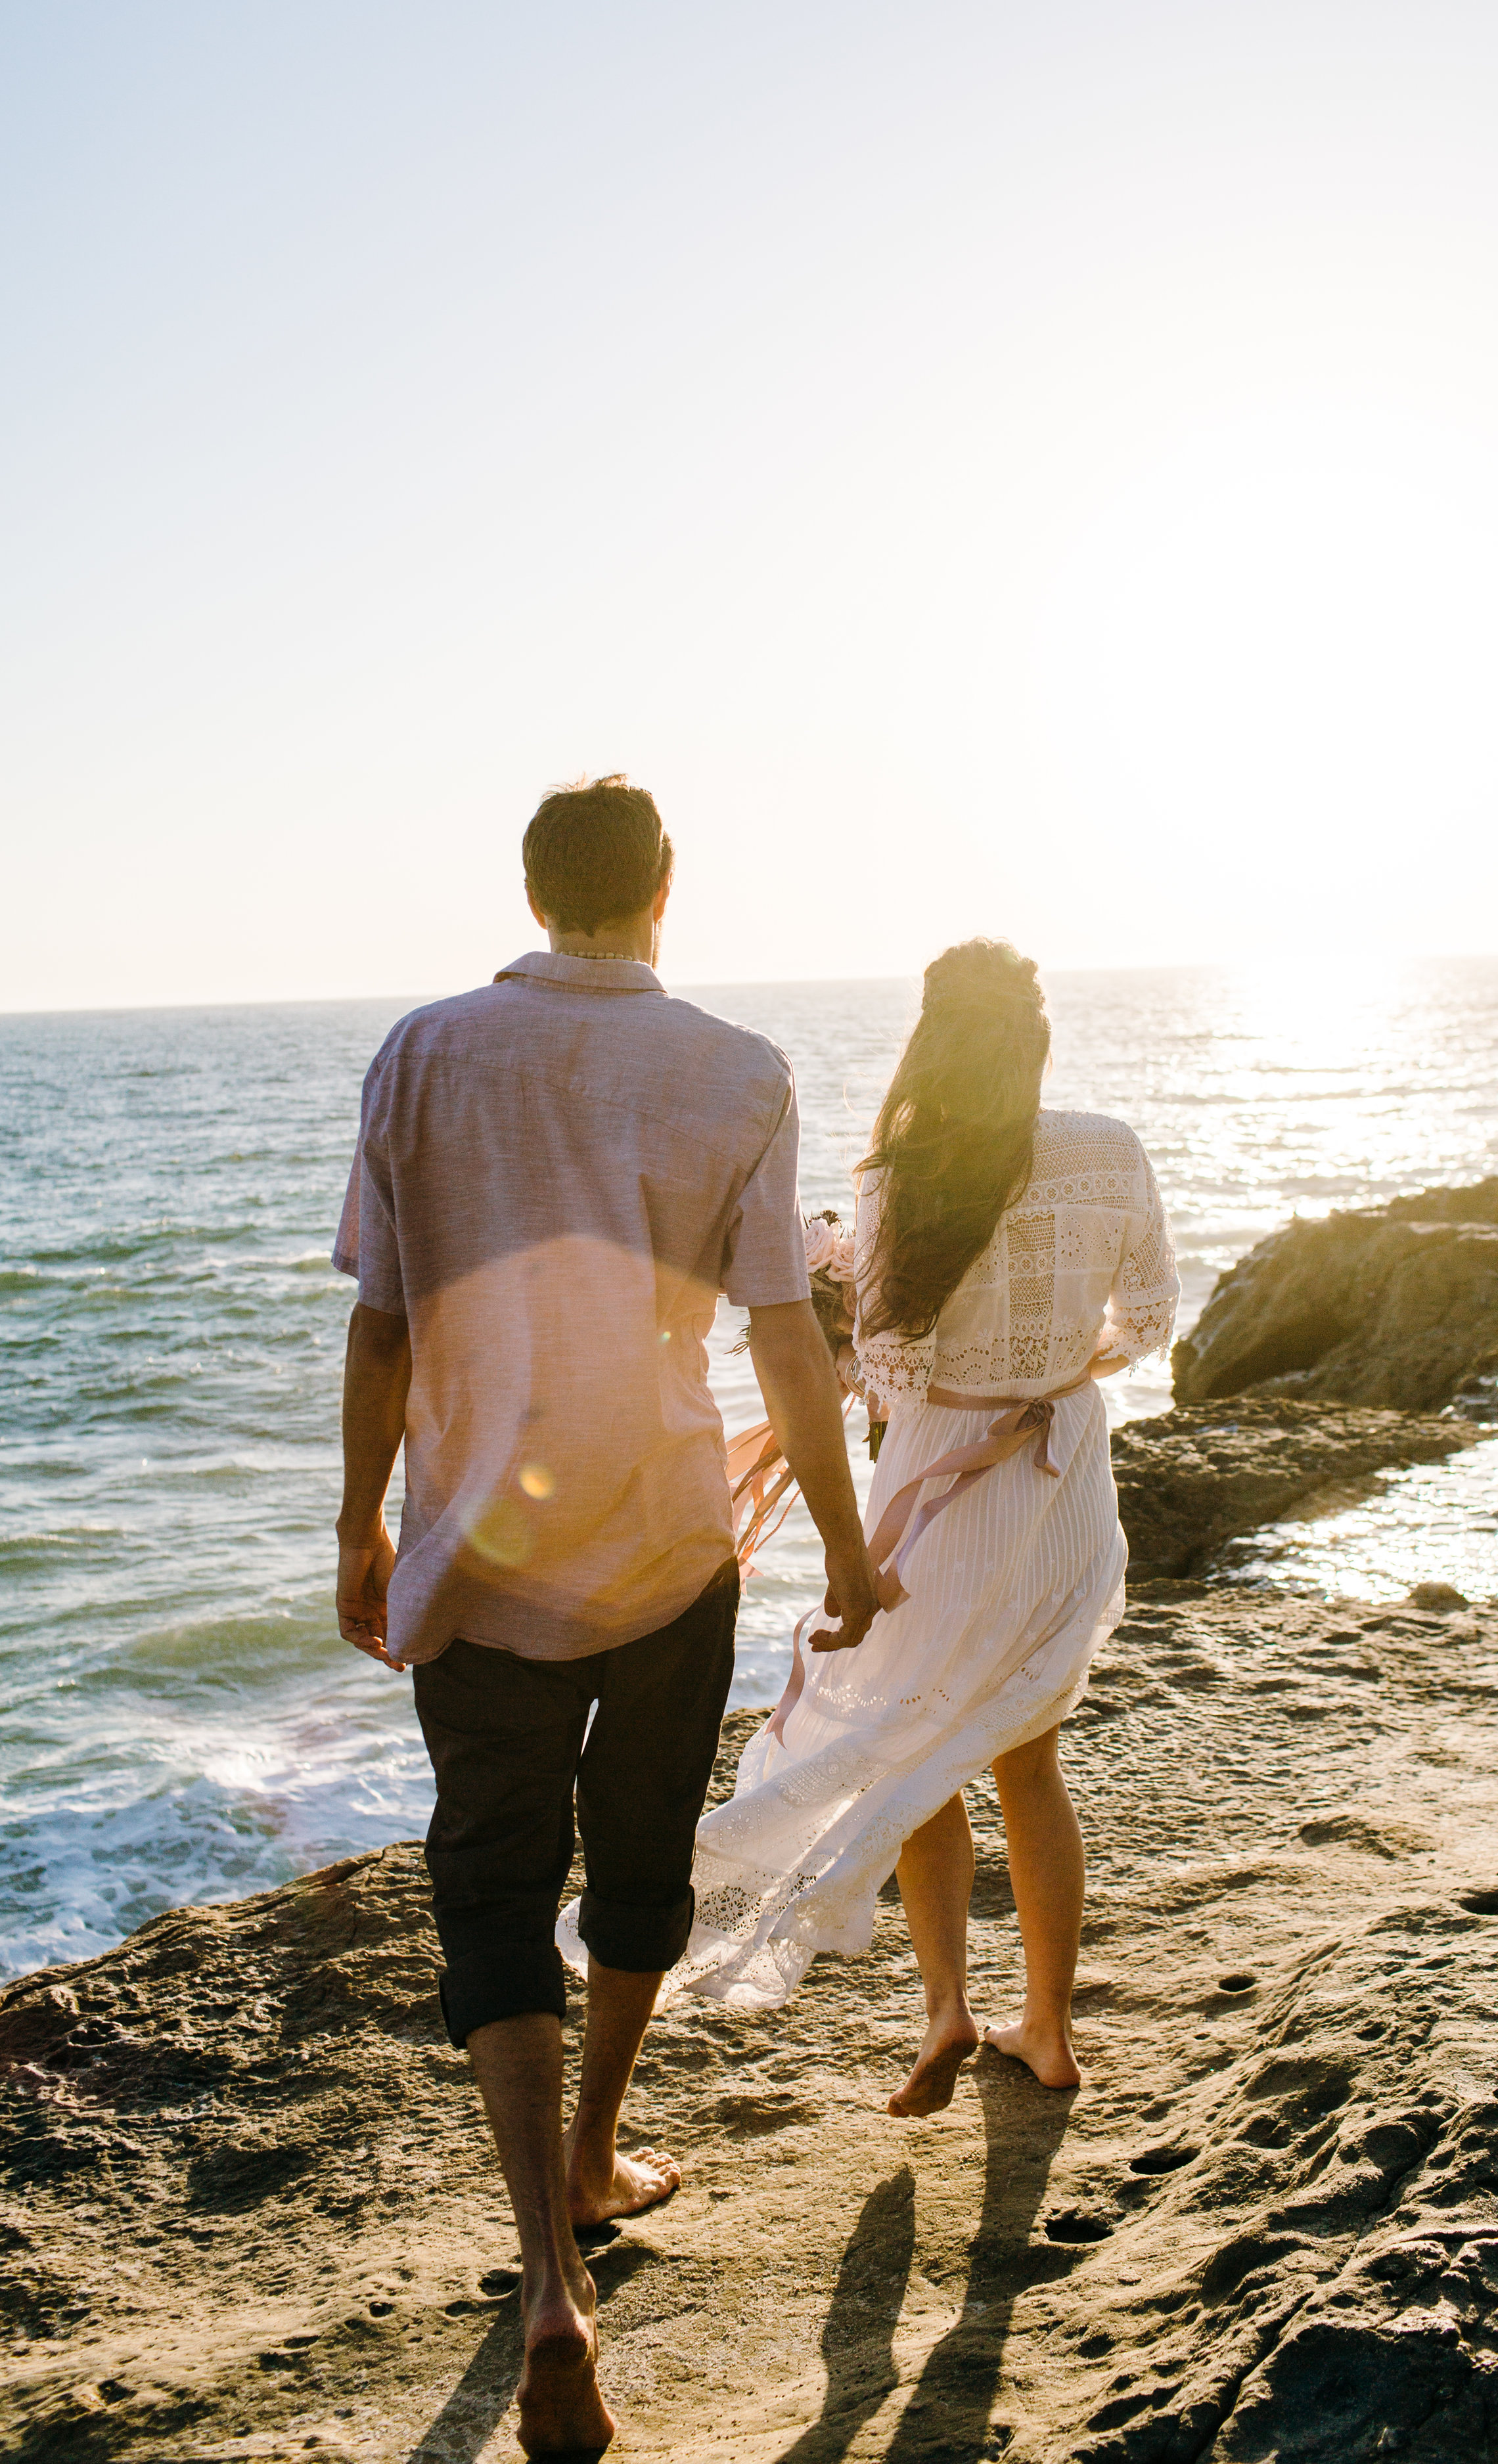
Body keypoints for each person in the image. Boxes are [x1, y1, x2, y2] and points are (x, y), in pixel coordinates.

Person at [330, 775, 877, 2456]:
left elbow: (382, 1329)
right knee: (634, 1863)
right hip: (661, 1546)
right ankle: (595, 2146)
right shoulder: (738, 1069)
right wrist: (848, 1555)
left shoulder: (421, 1054)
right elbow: (785, 1341)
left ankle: (548, 2272)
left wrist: (357, 1528)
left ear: (529, 885)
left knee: (492, 1882)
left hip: (480, 1560)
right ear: (663, 891)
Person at [645, 939, 1178, 2119]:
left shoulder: (901, 1174)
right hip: (1062, 1471)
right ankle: (1047, 2027)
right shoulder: (1110, 1150)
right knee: (1029, 1760)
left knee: (912, 1739)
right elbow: (1147, 1319)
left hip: (941, 1478)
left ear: (931, 1041)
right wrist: (1055, 1367)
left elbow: (890, 1365)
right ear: (1036, 1040)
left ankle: (944, 2007)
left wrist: (891, 1354)